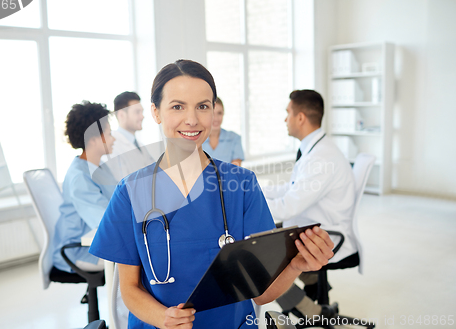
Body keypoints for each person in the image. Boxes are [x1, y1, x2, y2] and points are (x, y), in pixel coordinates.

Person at [89, 60, 334, 329]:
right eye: (177, 106)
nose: (192, 119)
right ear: (156, 112)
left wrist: (296, 265)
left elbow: (262, 293)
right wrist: (162, 318)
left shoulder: (242, 184)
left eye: (203, 106)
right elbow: (130, 289)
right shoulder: (130, 191)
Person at [262, 89, 356, 318]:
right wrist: (257, 191)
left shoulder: (321, 158)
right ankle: (314, 282)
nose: (285, 119)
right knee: (264, 238)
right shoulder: (315, 149)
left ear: (301, 117)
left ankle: (313, 311)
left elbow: (288, 206)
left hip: (325, 236)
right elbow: (291, 189)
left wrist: (249, 204)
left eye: (288, 113)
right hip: (312, 227)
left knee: (258, 259)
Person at [52, 101, 117, 273]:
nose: (114, 139)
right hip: (79, 251)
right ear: (94, 140)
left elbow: (118, 201)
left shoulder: (99, 167)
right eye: (109, 134)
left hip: (95, 241)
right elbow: (105, 220)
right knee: (139, 261)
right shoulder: (79, 176)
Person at [107, 91, 155, 181]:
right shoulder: (113, 147)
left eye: (142, 112)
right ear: (121, 115)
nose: (142, 116)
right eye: (137, 112)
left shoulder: (140, 145)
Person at [202, 97, 244, 166]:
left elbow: (235, 170)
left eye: (219, 113)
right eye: (212, 114)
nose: (216, 118)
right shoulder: (197, 140)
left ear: (223, 114)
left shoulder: (234, 138)